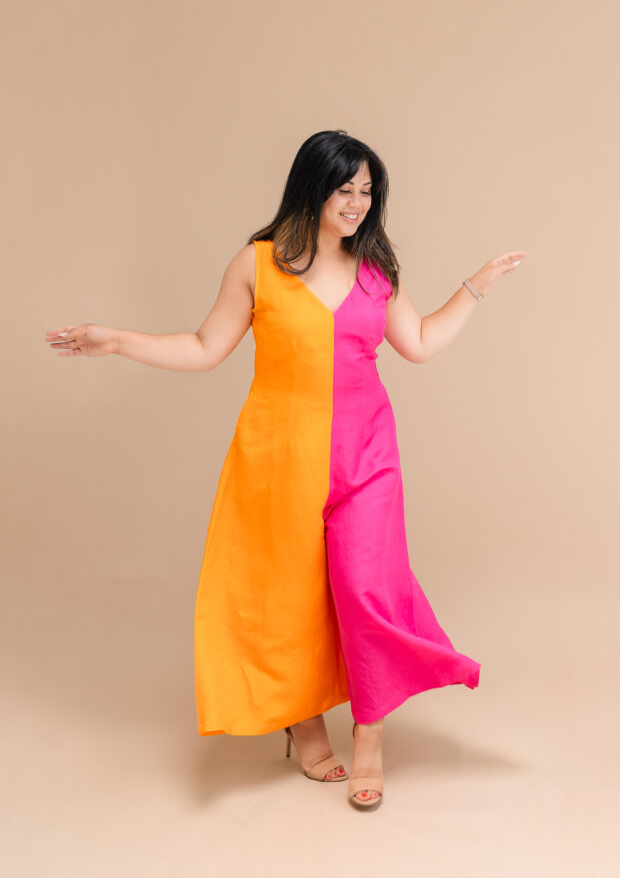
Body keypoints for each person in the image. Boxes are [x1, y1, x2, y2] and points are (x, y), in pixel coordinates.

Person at [44, 128, 529, 811]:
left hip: (367, 458)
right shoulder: (259, 263)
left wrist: (473, 288)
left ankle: (368, 739)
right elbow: (205, 345)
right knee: (288, 597)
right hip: (276, 456)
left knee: (367, 592)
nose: (357, 204)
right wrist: (116, 340)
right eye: (344, 190)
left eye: (367, 192)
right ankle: (303, 726)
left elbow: (417, 344)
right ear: (312, 186)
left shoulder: (375, 269)